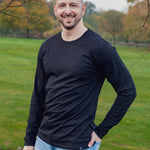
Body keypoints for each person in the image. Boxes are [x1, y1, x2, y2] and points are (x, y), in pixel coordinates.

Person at [23, 0, 136, 149]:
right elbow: (38, 95)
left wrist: (101, 131)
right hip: (42, 141)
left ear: (83, 9)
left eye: (73, 5)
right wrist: (29, 141)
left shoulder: (100, 48)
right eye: (62, 5)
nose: (67, 11)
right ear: (55, 10)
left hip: (78, 143)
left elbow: (128, 91)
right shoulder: (47, 47)